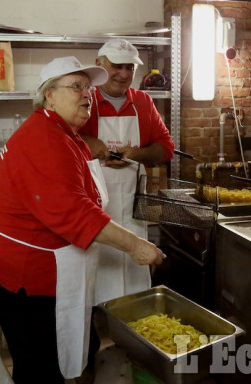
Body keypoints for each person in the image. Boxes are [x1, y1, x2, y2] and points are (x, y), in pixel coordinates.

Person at [0, 56, 166, 384]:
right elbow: (73, 212)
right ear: (49, 94)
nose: (86, 94)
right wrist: (135, 245)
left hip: (51, 265)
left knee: (74, 346)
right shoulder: (44, 138)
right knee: (39, 366)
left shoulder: (65, 133)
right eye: (76, 86)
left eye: (88, 87)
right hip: (23, 273)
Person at [78, 38, 175, 305]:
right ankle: (96, 314)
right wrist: (90, 145)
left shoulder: (142, 102)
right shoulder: (84, 100)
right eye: (116, 66)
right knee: (97, 266)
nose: (123, 74)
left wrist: (136, 154)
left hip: (132, 203)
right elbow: (61, 140)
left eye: (129, 68)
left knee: (134, 263)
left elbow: (165, 148)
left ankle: (133, 318)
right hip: (95, 204)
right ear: (99, 65)